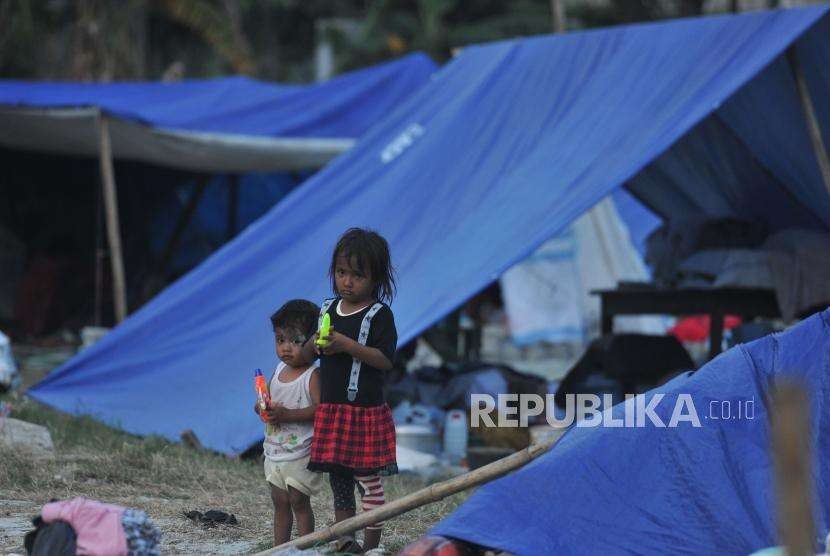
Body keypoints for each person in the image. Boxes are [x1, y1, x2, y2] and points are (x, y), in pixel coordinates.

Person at [301, 228, 398, 552]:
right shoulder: (327, 309)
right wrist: (316, 343)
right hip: (333, 409)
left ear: (376, 278)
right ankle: (346, 542)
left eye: (357, 275)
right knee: (339, 482)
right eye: (342, 273)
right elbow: (306, 354)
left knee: (368, 482)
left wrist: (348, 345)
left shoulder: (379, 314)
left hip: (364, 411)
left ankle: (373, 546)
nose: (348, 282)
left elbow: (384, 360)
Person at [256, 299, 323, 546]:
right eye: (280, 339)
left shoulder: (312, 375)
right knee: (279, 502)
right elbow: (273, 400)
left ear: (314, 342)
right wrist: (262, 408)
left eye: (296, 341)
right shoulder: (278, 370)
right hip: (275, 450)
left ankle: (305, 547)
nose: (286, 348)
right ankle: (280, 549)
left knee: (298, 502)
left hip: (300, 452)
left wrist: (287, 416)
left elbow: (320, 410)